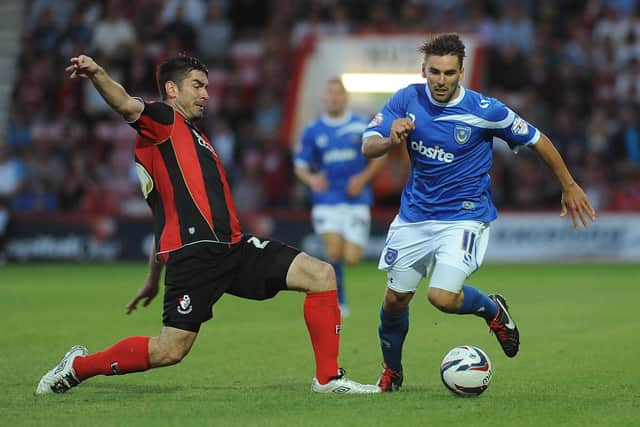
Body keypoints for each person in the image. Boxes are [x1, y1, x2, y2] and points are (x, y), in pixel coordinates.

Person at [35, 54, 380, 395]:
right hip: (195, 253)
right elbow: (126, 105)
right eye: (198, 86)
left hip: (233, 247)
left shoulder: (192, 135)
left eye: (208, 87)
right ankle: (78, 367)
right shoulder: (163, 118)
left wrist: (152, 277)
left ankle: (328, 380)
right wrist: (97, 73)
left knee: (321, 275)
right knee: (170, 350)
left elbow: (165, 213)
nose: (206, 95)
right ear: (172, 89)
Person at [361, 33, 596, 392]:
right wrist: (390, 139)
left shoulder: (486, 111)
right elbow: (368, 146)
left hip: (464, 216)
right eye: (435, 72)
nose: (441, 80)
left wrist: (569, 184)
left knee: (440, 297)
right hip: (414, 216)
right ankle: (392, 373)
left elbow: (537, 139)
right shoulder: (406, 98)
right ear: (423, 69)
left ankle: (491, 310)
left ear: (461, 72)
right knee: (394, 300)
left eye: (449, 73)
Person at [294, 78, 385, 316]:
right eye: (330, 93)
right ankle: (339, 301)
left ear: (345, 97)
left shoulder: (360, 125)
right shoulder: (314, 130)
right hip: (327, 200)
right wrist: (312, 179)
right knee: (333, 253)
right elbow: (300, 165)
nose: (334, 97)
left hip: (356, 200)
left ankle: (335, 292)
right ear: (325, 98)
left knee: (352, 258)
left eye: (338, 93)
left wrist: (362, 179)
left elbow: (379, 157)